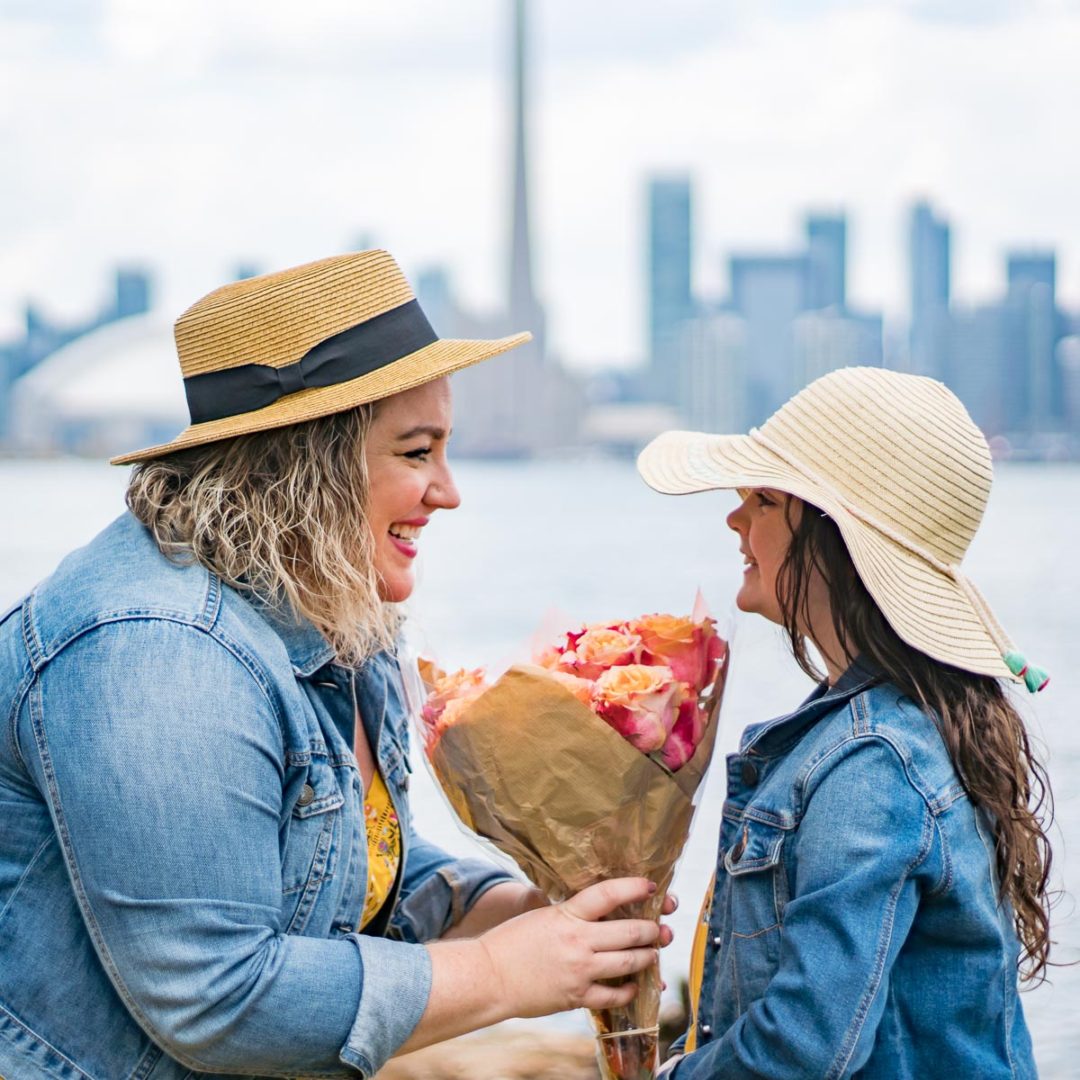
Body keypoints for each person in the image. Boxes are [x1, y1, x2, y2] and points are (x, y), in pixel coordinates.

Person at [0, 251, 670, 1079]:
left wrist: (525, 912)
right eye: (417, 452)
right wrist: (501, 975)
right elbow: (216, 998)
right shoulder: (156, 652)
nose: (449, 491)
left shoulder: (330, 606)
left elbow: (355, 865)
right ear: (305, 465)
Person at [636, 367, 1052, 1078]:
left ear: (836, 543)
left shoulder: (871, 761)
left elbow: (805, 1046)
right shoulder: (885, 732)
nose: (735, 518)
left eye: (765, 498)